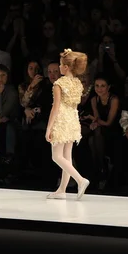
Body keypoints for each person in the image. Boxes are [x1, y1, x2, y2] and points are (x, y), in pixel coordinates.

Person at [46, 48, 90, 200]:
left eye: (60, 64)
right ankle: (62, 190)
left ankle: (80, 180)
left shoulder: (59, 83)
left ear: (66, 67)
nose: (58, 67)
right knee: (66, 156)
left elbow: (56, 106)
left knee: (57, 156)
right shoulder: (77, 83)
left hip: (62, 119)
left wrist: (49, 127)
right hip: (73, 118)